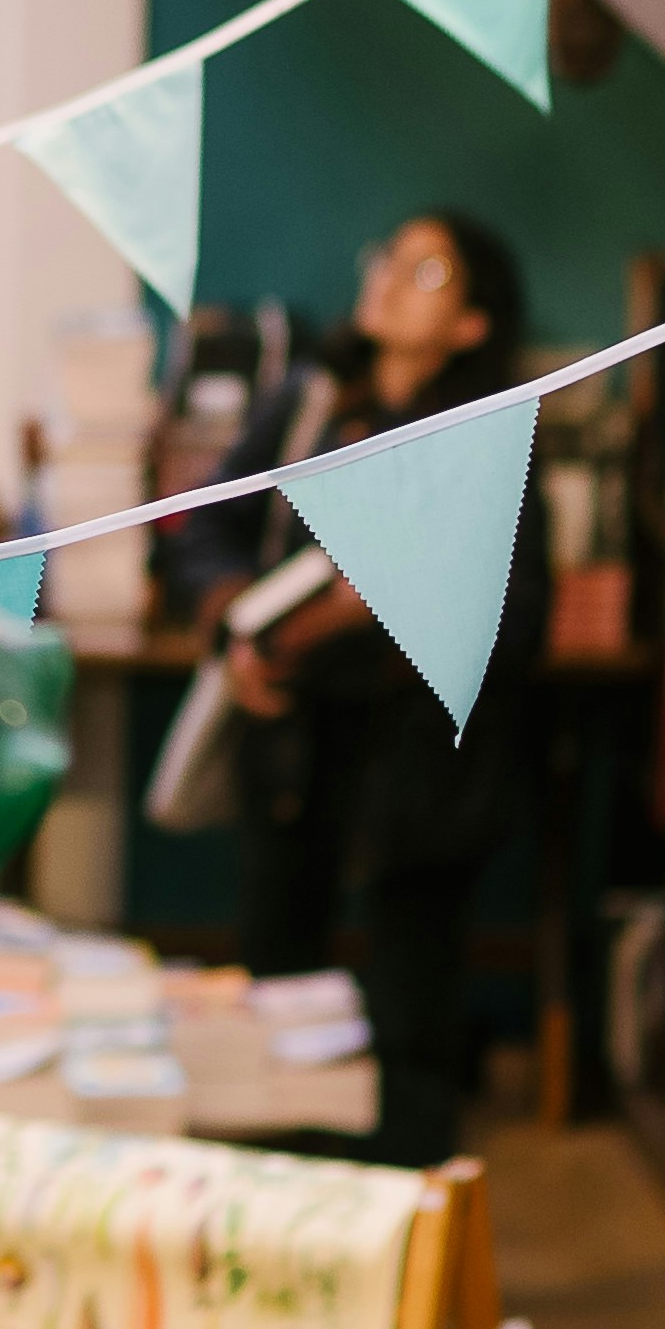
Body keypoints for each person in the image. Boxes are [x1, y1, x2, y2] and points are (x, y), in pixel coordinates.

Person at [207, 208, 551, 1162]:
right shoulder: (312, 398)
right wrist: (237, 631)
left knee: (409, 1004)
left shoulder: (487, 437)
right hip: (290, 738)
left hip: (418, 763)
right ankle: (277, 1197)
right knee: (277, 981)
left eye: (427, 273)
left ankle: (401, 1222)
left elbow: (521, 619)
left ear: (475, 325)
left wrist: (385, 606)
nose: (391, 280)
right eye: (389, 257)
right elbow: (212, 528)